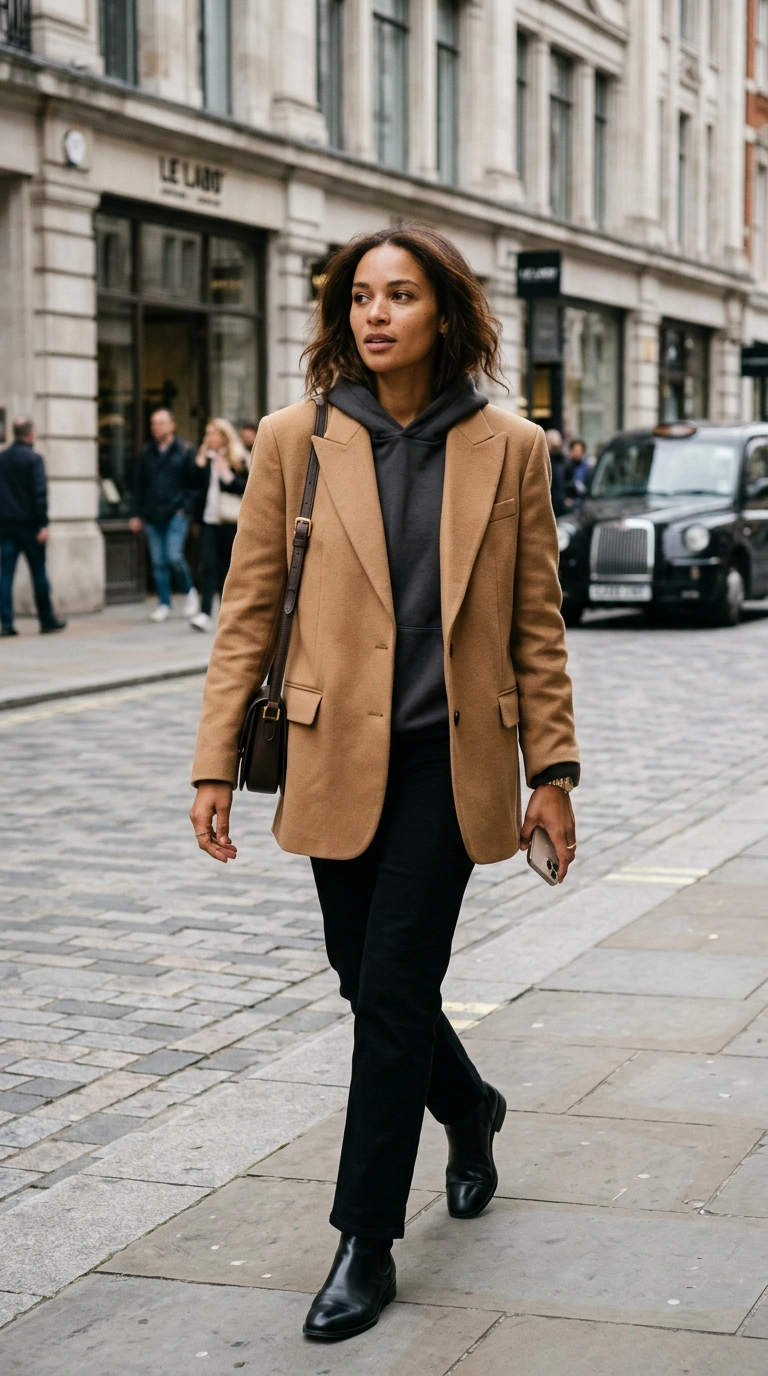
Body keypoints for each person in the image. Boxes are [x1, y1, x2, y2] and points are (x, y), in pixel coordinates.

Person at [189, 227, 579, 1343]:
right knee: (367, 981)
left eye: (401, 295)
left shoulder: (511, 446)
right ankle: (471, 1104)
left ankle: (365, 1238)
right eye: (361, 295)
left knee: (396, 985)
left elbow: (536, 624)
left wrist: (552, 772)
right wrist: (213, 762)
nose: (376, 313)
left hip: (448, 766)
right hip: (331, 757)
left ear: (443, 311)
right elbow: (246, 611)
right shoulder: (295, 439)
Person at [129, 408, 202, 623]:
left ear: (172, 425)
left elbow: (194, 484)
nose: (156, 427)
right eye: (153, 423)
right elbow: (138, 486)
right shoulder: (147, 453)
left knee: (173, 556)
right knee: (158, 562)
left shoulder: (185, 450)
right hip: (152, 515)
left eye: (161, 423)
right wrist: (135, 514)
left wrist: (185, 508)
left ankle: (189, 592)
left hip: (175, 514)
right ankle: (164, 604)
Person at [0, 416, 66, 637]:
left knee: (6, 575)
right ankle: (46, 619)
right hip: (30, 526)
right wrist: (43, 524)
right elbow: (40, 494)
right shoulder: (34, 459)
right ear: (30, 433)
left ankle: (6, 622)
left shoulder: (2, 459)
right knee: (38, 573)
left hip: (6, 526)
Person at [190, 419, 249, 633]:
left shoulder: (236, 457)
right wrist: (199, 463)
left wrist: (227, 476)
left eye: (212, 434)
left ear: (223, 437)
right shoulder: (205, 458)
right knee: (208, 566)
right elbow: (193, 486)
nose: (208, 438)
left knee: (227, 568)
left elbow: (247, 487)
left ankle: (229, 614)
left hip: (229, 522)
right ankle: (204, 613)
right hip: (209, 520)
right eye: (207, 434)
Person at [545, 428, 577, 516]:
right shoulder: (541, 462)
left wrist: (569, 498)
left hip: (561, 504)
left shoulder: (565, 463)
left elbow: (570, 483)